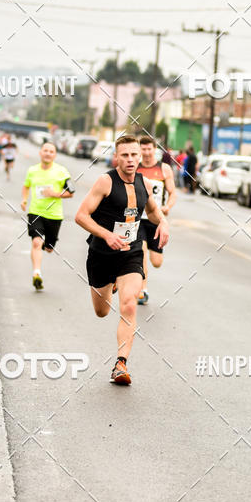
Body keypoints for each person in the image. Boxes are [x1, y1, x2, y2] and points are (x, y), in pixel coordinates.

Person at [75, 134, 169, 385]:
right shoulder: (105, 181)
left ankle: (120, 364)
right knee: (102, 311)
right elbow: (81, 216)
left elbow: (151, 210)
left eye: (134, 155)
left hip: (131, 251)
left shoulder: (145, 184)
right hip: (101, 253)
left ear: (141, 156)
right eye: (124, 155)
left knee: (129, 304)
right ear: (117, 157)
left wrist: (164, 222)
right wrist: (107, 236)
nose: (129, 159)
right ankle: (111, 283)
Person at [20, 141, 74, 290]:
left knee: (49, 248)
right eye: (45, 150)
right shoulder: (32, 170)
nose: (48, 153)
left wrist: (54, 194)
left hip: (54, 215)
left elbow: (71, 193)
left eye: (51, 151)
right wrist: (24, 199)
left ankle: (48, 244)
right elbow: (26, 186)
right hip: (35, 212)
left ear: (55, 155)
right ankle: (36, 273)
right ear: (40, 152)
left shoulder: (62, 172)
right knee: (36, 242)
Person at [136, 135, 176, 304]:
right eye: (143, 149)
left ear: (154, 149)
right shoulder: (135, 168)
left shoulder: (164, 169)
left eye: (149, 149)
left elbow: (173, 192)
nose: (146, 152)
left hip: (156, 219)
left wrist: (167, 207)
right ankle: (142, 290)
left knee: (157, 262)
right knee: (141, 252)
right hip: (138, 219)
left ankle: (143, 285)